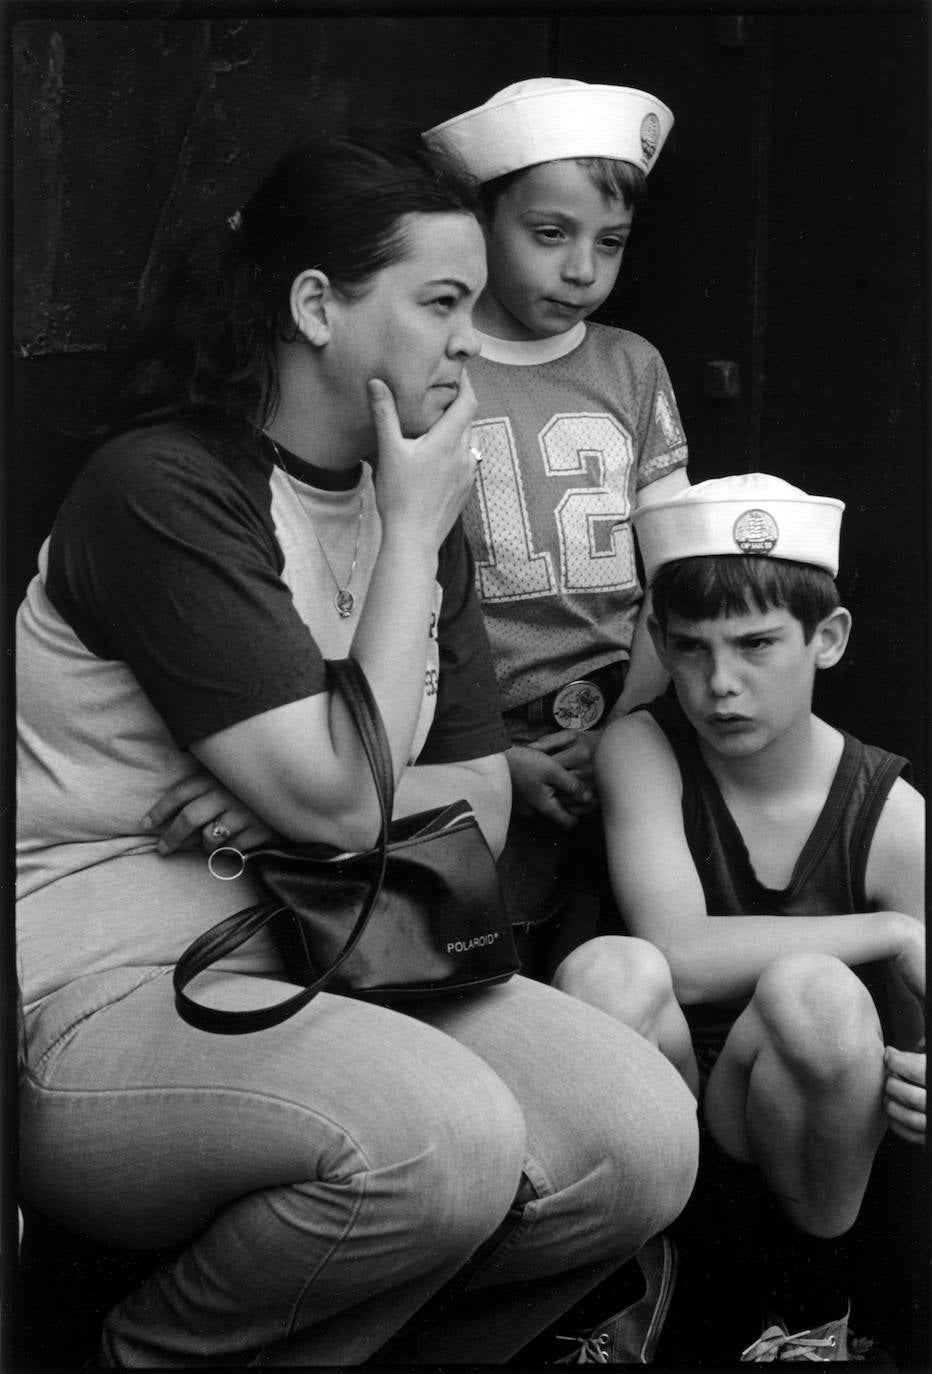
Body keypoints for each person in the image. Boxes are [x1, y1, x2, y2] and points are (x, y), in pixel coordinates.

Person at [15, 130, 699, 1366]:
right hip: (103, 990)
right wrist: (335, 779)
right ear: (317, 306)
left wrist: (309, 787)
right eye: (442, 303)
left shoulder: (411, 501)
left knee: (634, 1139)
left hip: (348, 951)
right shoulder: (166, 487)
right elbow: (345, 801)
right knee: (443, 1139)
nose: (470, 340)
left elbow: (480, 806)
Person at [589, 473, 925, 1362]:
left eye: (756, 644)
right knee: (609, 972)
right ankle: (630, 1295)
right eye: (690, 648)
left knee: (813, 990)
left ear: (829, 638)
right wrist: (889, 933)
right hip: (669, 1106)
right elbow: (676, 954)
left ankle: (814, 1310)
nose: (719, 684)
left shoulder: (888, 811)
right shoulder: (642, 747)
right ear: (659, 643)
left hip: (804, 1123)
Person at [422, 77, 690, 977]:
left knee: (615, 957)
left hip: (621, 723)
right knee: (479, 964)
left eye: (609, 243)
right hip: (468, 738)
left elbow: (674, 569)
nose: (583, 269)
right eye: (550, 234)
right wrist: (492, 754)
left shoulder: (630, 366)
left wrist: (626, 724)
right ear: (479, 221)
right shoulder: (438, 365)